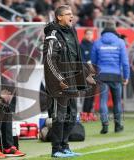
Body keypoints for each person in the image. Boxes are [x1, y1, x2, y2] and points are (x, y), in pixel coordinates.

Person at [43, 5, 95, 158]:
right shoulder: (52, 34)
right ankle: (56, 149)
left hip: (72, 81)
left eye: (72, 14)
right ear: (59, 17)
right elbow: (49, 60)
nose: (71, 16)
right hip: (59, 84)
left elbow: (75, 58)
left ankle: (65, 146)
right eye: (67, 14)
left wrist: (85, 74)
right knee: (59, 117)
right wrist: (59, 78)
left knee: (72, 116)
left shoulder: (72, 32)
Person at [91, 20, 130, 134]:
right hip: (116, 75)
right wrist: (126, 76)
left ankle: (105, 126)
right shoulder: (120, 42)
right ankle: (118, 125)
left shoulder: (97, 42)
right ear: (114, 29)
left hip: (102, 75)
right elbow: (125, 63)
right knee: (117, 101)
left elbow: (93, 62)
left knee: (103, 101)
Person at [80, 29, 97, 122]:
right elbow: (81, 59)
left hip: (95, 72)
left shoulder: (95, 45)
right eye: (88, 34)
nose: (90, 36)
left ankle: (90, 113)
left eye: (91, 34)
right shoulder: (81, 46)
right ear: (85, 35)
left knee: (93, 93)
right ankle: (84, 113)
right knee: (88, 93)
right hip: (86, 72)